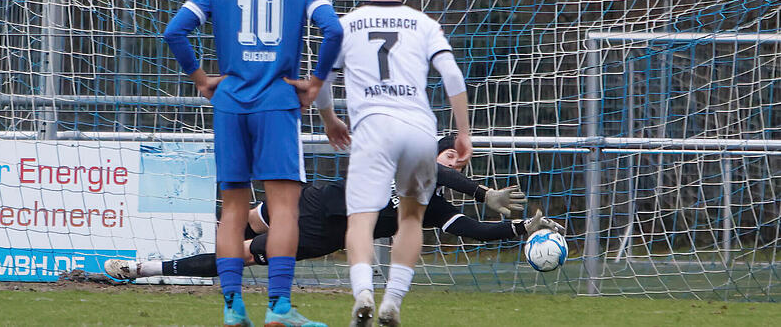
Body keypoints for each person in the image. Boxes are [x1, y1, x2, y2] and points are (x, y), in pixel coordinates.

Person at [163, 0, 343, 327]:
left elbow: (174, 31)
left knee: (232, 210)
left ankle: (232, 308)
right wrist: (315, 83)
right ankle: (279, 308)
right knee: (283, 210)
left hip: (229, 104)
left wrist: (201, 78)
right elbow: (333, 30)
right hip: (277, 105)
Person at [290, 0, 472, 327]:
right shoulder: (424, 23)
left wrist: (329, 119)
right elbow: (453, 77)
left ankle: (363, 293)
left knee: (361, 218)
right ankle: (393, 300)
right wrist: (463, 132)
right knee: (411, 217)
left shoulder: (346, 25)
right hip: (419, 130)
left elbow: (321, 81)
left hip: (374, 131)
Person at [104, 136, 565, 280]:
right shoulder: (414, 162)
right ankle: (180, 227)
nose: (451, 163)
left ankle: (144, 268)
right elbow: (436, 170)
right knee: (242, 214)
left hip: (320, 235)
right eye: (450, 155)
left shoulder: (431, 206)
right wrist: (482, 190)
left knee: (241, 255)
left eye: (458, 160)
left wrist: (520, 229)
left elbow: (468, 229)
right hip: (316, 197)